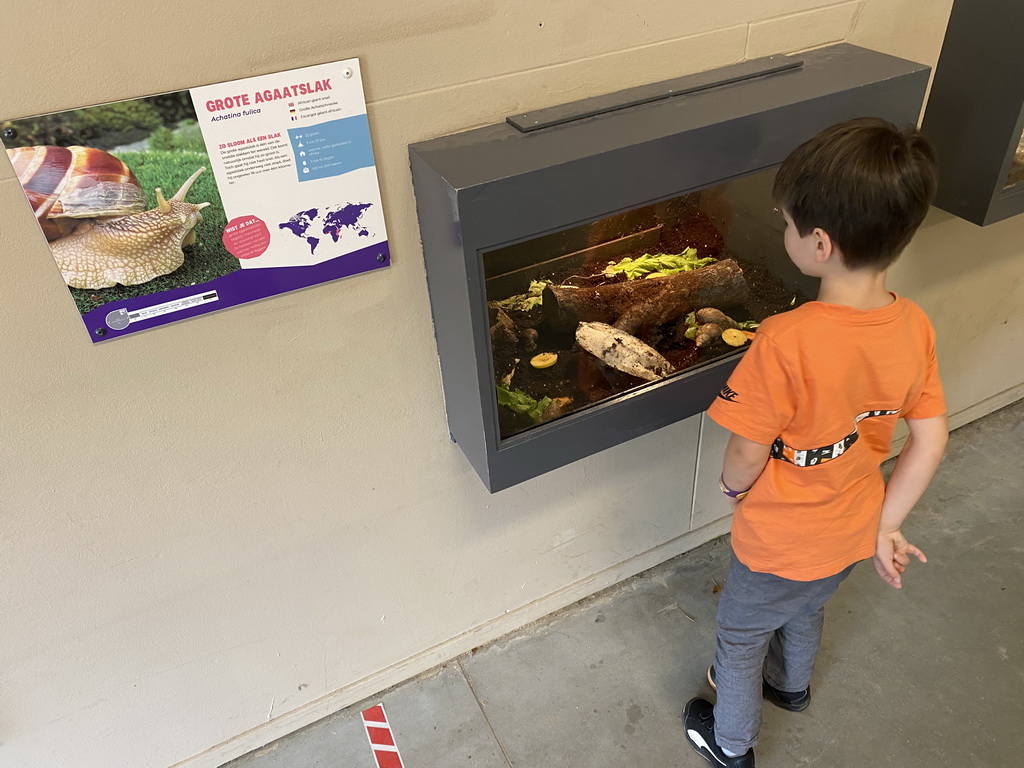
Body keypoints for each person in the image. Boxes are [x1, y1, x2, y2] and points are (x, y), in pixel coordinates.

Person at [682, 117, 949, 768]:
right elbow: (931, 436)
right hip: (853, 526)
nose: (785, 233)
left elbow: (746, 450)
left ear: (820, 244)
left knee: (741, 636)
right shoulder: (912, 324)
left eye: (788, 224)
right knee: (806, 609)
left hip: (777, 538)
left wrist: (732, 488)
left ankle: (732, 742)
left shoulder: (785, 339)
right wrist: (887, 523)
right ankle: (791, 689)